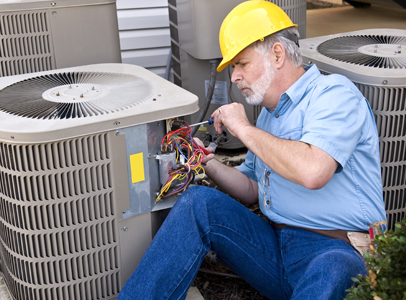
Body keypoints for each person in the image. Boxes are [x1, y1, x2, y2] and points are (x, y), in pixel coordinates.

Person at [118, 1, 387, 299]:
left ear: (277, 54)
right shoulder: (268, 116)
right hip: (277, 247)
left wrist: (244, 130)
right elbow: (251, 189)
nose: (234, 77)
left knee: (334, 268)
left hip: (338, 248)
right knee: (199, 203)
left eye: (241, 64)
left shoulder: (334, 94)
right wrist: (206, 163)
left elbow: (314, 171)